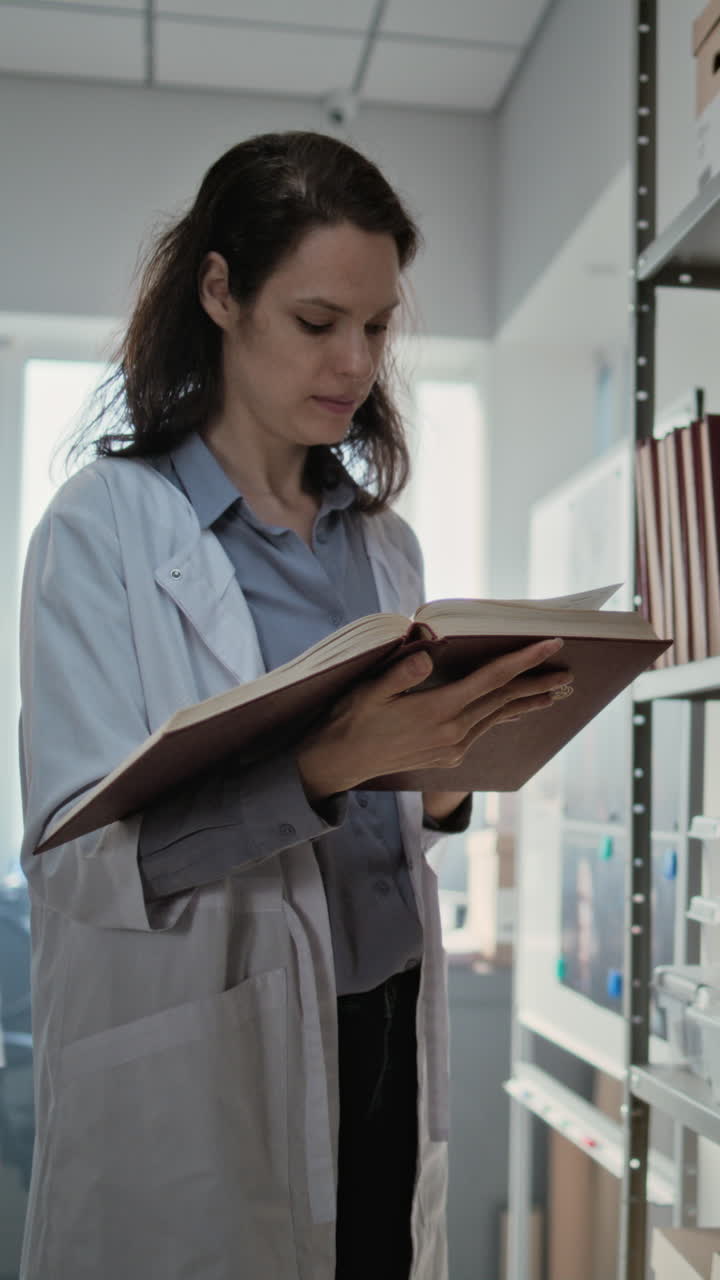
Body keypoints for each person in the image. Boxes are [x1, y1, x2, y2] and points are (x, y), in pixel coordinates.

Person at [18, 131, 571, 1280]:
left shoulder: (385, 544)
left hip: (384, 1033)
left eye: (376, 327)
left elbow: (401, 810)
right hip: (215, 1050)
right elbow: (84, 858)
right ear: (220, 291)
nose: (357, 361)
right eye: (318, 323)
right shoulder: (102, 529)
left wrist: (455, 760)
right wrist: (327, 762)